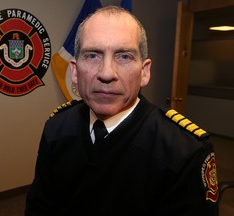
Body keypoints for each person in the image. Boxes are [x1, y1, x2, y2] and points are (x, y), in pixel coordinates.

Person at [25, 6, 219, 216]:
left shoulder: (184, 152)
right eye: (92, 56)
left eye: (124, 57)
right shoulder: (56, 127)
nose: (107, 73)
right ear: (74, 71)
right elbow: (39, 207)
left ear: (144, 73)